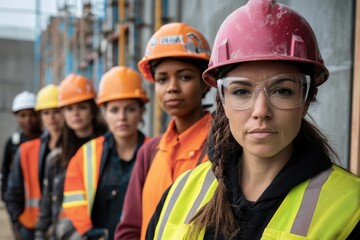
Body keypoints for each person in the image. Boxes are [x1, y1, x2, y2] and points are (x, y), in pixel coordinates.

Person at [146, 0, 360, 239]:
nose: (261, 111)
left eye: (283, 91)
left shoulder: (351, 208)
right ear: (222, 101)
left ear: (307, 99)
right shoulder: (179, 194)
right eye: (241, 91)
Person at [115, 22, 212, 240]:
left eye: (185, 76)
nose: (171, 87)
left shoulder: (223, 148)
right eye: (162, 79)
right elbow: (130, 228)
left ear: (205, 82)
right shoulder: (149, 152)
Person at [62, 66, 150, 240]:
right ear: (104, 114)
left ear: (141, 112)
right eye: (114, 110)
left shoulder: (156, 152)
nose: (122, 117)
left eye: (130, 109)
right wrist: (88, 231)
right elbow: (73, 200)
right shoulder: (86, 154)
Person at [35, 74, 107, 240]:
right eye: (69, 109)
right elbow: (48, 202)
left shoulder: (109, 150)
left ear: (92, 110)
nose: (75, 114)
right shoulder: (56, 158)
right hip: (65, 234)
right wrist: (39, 233)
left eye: (82, 107)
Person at [4, 85, 61, 239]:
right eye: (46, 113)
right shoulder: (24, 148)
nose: (52, 117)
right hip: (31, 224)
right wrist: (18, 221)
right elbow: (11, 188)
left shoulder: (75, 149)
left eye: (57, 111)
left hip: (63, 226)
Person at [1, 91, 42, 201]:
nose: (28, 119)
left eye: (32, 115)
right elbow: (5, 172)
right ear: (16, 116)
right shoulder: (12, 143)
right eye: (23, 115)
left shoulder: (47, 140)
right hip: (20, 199)